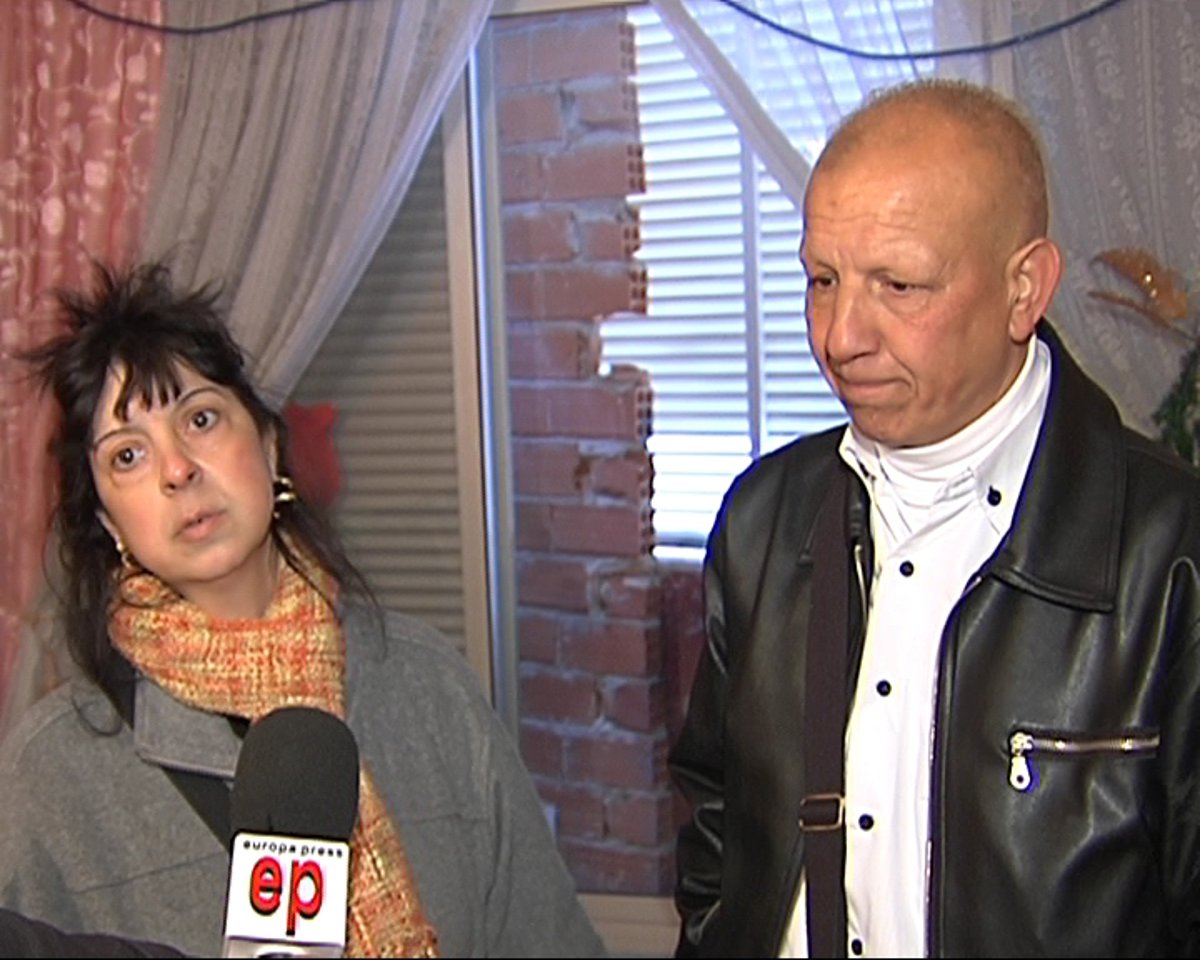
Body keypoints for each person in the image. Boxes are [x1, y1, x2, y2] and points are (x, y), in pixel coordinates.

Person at [669, 78, 1200, 958]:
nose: (840, 336)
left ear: (1024, 288)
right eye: (822, 279)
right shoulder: (763, 521)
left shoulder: (1170, 551)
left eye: (899, 284)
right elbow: (718, 839)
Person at [0, 261, 607, 958]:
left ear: (267, 445)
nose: (177, 469)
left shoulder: (428, 687)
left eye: (200, 419)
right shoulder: (52, 774)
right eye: (128, 455)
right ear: (109, 523)